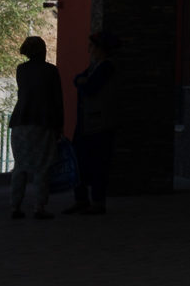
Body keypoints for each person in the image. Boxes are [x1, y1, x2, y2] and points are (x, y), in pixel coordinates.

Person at [8, 36, 63, 221]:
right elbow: (57, 100)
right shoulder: (51, 71)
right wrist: (59, 125)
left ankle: (15, 206)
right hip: (43, 122)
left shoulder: (21, 70)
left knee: (20, 166)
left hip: (20, 122)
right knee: (42, 166)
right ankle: (39, 207)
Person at [65, 30, 119, 215]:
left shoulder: (106, 67)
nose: (89, 50)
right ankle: (83, 200)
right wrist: (82, 81)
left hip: (98, 124)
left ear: (100, 48)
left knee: (97, 164)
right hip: (89, 122)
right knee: (81, 162)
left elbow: (88, 87)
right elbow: (79, 80)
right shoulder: (97, 66)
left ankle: (95, 202)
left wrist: (83, 81)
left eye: (92, 46)